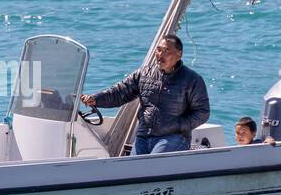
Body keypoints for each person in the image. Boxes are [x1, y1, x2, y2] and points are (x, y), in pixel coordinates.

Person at [80, 34, 209, 155]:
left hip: (173, 137)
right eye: (158, 50)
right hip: (143, 136)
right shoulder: (144, 74)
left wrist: (176, 126)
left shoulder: (192, 80)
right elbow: (119, 92)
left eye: (166, 51)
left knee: (152, 166)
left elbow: (202, 112)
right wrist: (95, 99)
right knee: (134, 171)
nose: (160, 55)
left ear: (179, 55)